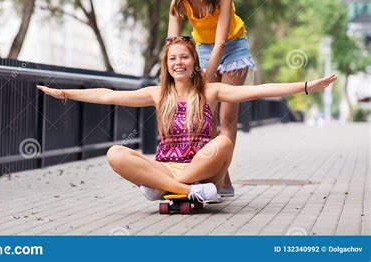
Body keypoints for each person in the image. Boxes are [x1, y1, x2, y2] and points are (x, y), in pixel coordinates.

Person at [37, 37, 337, 203]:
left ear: (194, 62)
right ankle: (185, 191)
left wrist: (307, 86)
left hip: (202, 168)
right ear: (166, 66)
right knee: (115, 153)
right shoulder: (157, 94)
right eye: (172, 59)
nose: (178, 63)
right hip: (169, 166)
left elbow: (261, 90)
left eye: (184, 57)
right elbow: (108, 96)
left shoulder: (211, 90)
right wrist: (65, 93)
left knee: (223, 141)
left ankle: (162, 187)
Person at [167, 0, 256, 197]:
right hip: (204, 48)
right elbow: (171, 43)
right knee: (206, 114)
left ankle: (220, 178)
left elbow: (222, 42)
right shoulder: (179, 3)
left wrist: (205, 75)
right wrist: (173, 77)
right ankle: (221, 178)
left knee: (227, 116)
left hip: (233, 46)